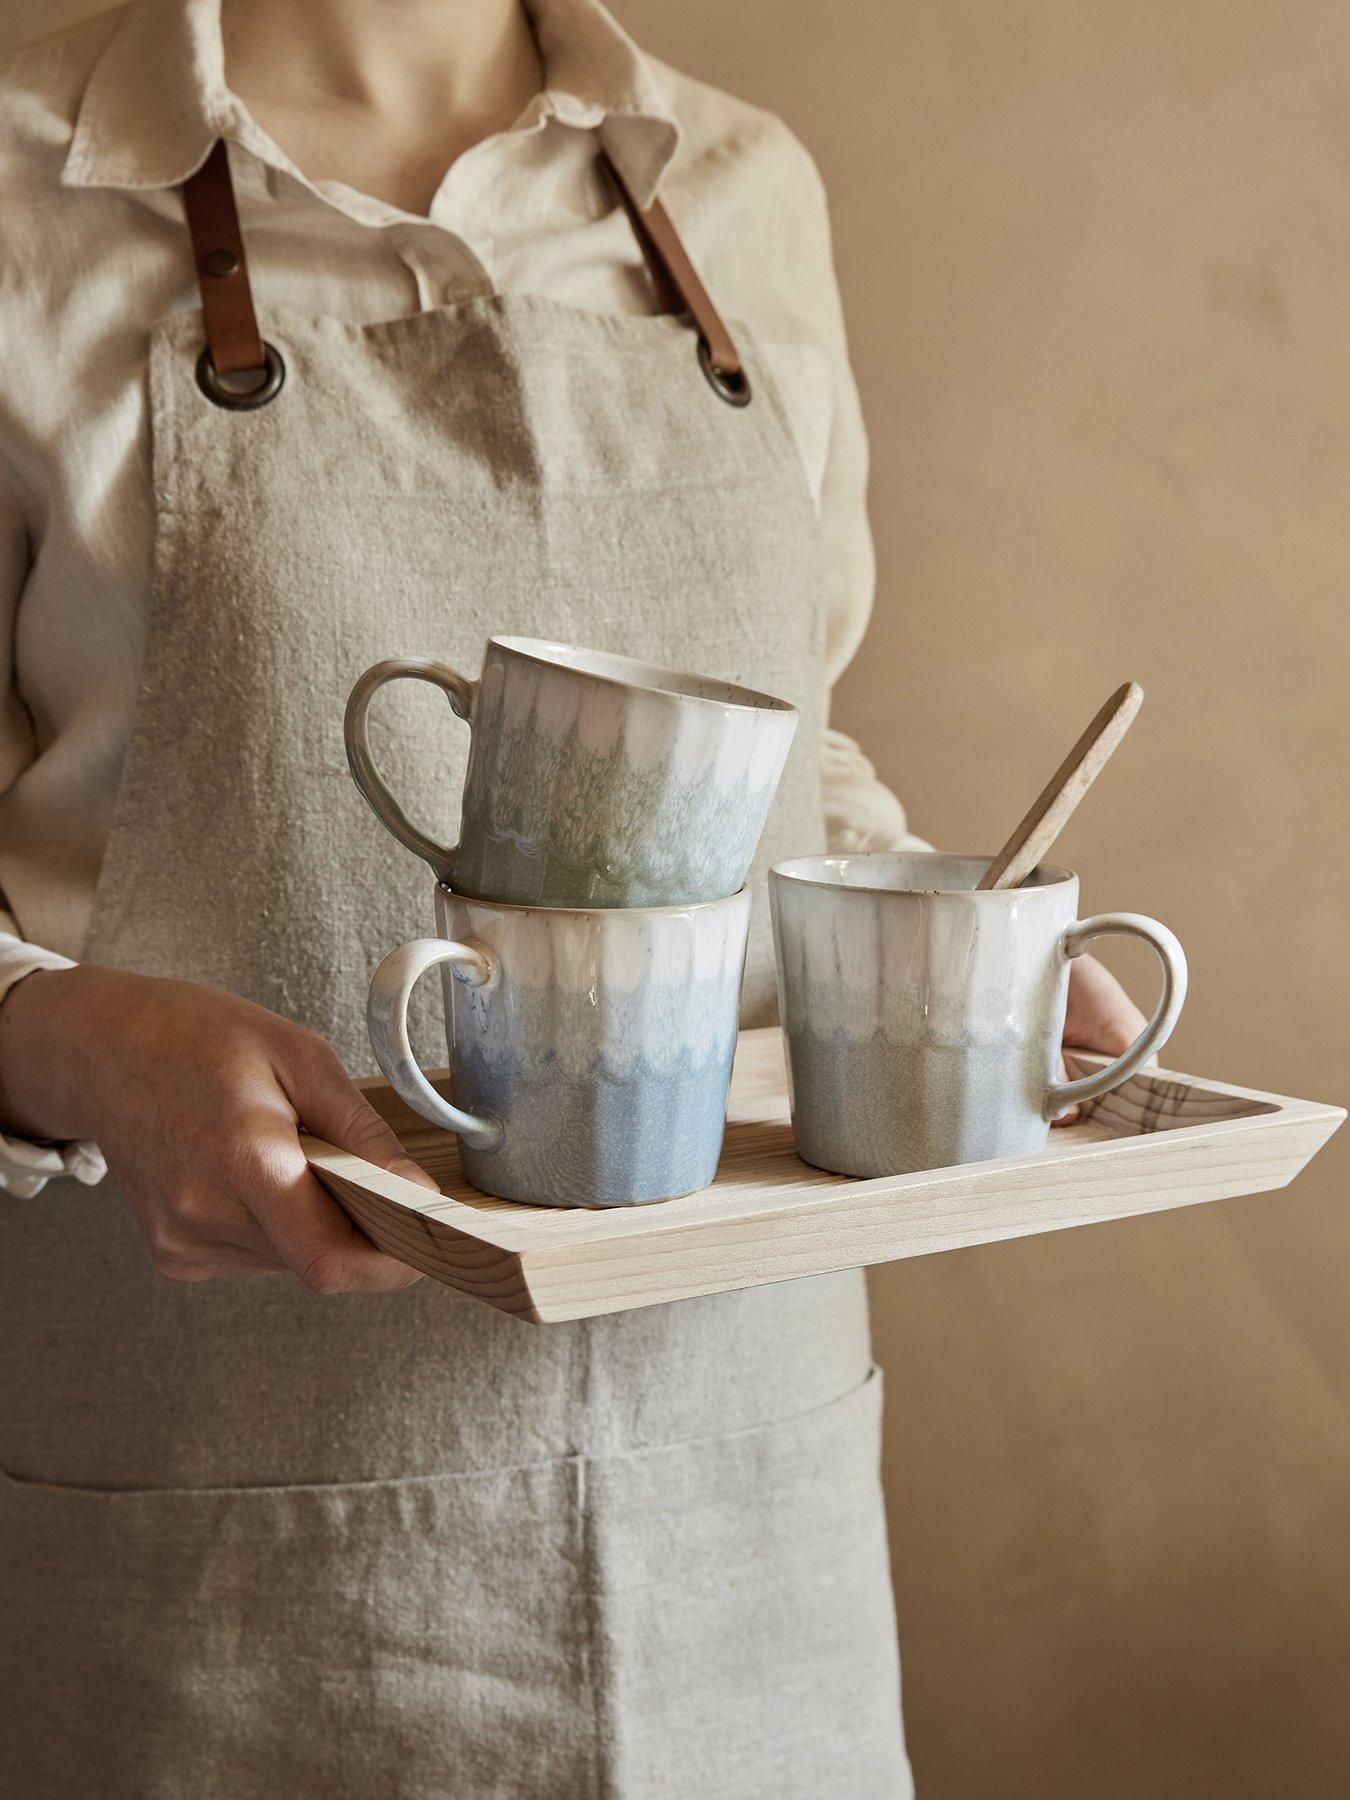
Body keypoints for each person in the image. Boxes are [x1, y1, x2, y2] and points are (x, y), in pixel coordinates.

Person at [0, 0, 1148, 1793]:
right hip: (209, 1541)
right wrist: (55, 1036)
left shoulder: (734, 186)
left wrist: (948, 935)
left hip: (741, 1520)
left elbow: (797, 755)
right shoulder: (20, 179)